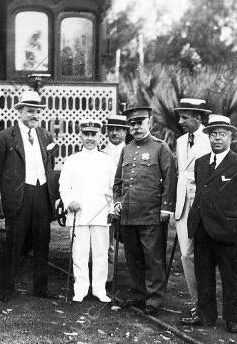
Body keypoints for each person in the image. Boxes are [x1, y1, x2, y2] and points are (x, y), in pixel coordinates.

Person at [182, 115, 237, 334]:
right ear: (208, 137)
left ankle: (232, 318)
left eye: (222, 134)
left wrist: (233, 218)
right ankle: (206, 316)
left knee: (229, 276)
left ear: (231, 136)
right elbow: (201, 193)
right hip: (202, 229)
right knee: (203, 274)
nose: (217, 138)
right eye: (213, 134)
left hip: (227, 231)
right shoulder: (200, 162)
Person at [0, 91, 59, 303]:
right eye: (30, 111)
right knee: (14, 243)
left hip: (41, 193)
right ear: (19, 112)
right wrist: (10, 189)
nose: (34, 115)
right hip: (19, 195)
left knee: (42, 241)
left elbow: (51, 164)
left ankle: (41, 288)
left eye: (38, 111)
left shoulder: (46, 136)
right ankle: (6, 289)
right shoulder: (5, 137)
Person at [112, 106, 177, 316]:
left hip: (151, 214)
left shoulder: (160, 148)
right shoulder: (127, 149)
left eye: (140, 123)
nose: (136, 127)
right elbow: (118, 182)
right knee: (133, 258)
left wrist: (166, 209)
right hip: (129, 215)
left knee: (153, 258)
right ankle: (141, 294)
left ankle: (154, 300)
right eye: (132, 124)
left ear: (149, 123)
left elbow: (170, 180)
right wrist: (117, 202)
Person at [59, 119, 115, 303]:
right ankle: (80, 288)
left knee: (100, 252)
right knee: (79, 253)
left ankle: (99, 289)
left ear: (100, 136)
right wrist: (70, 201)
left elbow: (113, 187)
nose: (90, 138)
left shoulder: (108, 161)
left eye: (94, 134)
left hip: (101, 214)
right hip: (79, 213)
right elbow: (64, 186)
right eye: (86, 134)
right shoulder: (72, 160)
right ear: (81, 135)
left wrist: (109, 207)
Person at [173, 98, 211, 318]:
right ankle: (197, 303)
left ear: (198, 117)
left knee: (205, 255)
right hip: (182, 206)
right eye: (180, 117)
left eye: (185, 117)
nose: (180, 121)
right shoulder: (179, 141)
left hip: (204, 205)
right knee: (186, 255)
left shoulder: (211, 139)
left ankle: (207, 305)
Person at [101, 114, 129, 288]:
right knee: (107, 242)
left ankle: (136, 282)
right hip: (108, 201)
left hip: (129, 201)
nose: (114, 133)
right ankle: (107, 279)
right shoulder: (101, 153)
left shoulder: (132, 151)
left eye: (118, 129)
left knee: (132, 242)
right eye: (111, 129)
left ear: (125, 132)